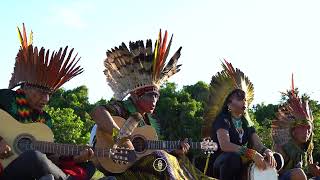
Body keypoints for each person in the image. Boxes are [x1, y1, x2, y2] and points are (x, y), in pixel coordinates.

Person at [90, 30, 216, 179]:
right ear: (136, 96)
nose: (155, 100)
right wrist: (121, 136)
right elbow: (98, 112)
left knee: (176, 161)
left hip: (140, 166)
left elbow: (149, 150)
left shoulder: (149, 123)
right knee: (160, 158)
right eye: (150, 95)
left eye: (157, 96)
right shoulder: (122, 108)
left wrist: (177, 151)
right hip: (116, 161)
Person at [0, 24, 95, 180]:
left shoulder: (45, 121)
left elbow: (50, 159)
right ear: (26, 87)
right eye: (42, 93)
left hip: (31, 170)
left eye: (50, 94)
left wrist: (76, 158)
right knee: (34, 158)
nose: (46, 99)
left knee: (89, 166)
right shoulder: (6, 98)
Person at [202, 60, 281, 180]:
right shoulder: (223, 120)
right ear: (229, 103)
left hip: (241, 162)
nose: (244, 102)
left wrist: (267, 151)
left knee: (276, 158)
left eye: (245, 99)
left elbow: (257, 143)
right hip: (221, 163)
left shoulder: (247, 122)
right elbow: (225, 145)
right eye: (239, 98)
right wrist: (252, 154)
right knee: (232, 158)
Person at [272, 74, 320, 180]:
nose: (307, 132)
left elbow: (309, 170)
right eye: (303, 127)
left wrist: (315, 170)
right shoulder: (281, 145)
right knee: (298, 173)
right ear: (293, 130)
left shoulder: (307, 148)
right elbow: (274, 170)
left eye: (309, 128)